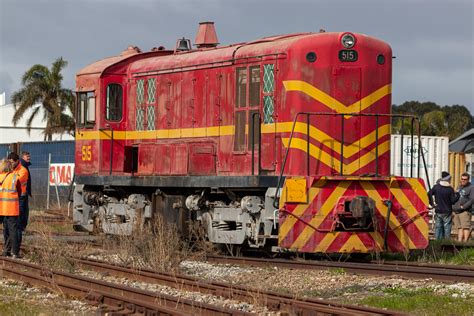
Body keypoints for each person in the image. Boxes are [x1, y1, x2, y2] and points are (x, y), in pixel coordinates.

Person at [7, 152, 29, 251]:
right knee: (9, 225)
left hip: (20, 199)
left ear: (17, 161)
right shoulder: (10, 170)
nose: (11, 164)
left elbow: (15, 182)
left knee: (18, 224)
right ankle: (9, 247)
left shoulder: (23, 170)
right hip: (10, 199)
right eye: (9, 162)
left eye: (12, 162)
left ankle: (16, 248)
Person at [428, 171, 459, 240]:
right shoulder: (450, 189)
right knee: (447, 228)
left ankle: (437, 242)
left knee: (438, 227)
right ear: (448, 179)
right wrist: (457, 194)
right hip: (447, 211)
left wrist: (432, 204)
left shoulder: (436, 187)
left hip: (438, 210)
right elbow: (453, 201)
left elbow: (429, 194)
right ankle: (446, 243)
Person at [0, 159, 22, 258]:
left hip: (2, 208)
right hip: (12, 208)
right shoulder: (14, 177)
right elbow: (19, 192)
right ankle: (15, 252)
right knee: (13, 230)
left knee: (6, 230)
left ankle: (6, 251)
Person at [453, 172, 473, 242]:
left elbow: (472, 200)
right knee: (459, 228)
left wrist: (463, 207)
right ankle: (459, 242)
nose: (463, 180)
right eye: (462, 179)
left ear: (468, 180)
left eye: (465, 179)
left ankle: (465, 244)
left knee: (465, 227)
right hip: (456, 211)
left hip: (465, 211)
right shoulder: (459, 186)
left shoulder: (471, 187)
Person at [18, 151, 32, 242]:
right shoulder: (22, 168)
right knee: (22, 211)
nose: (29, 158)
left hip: (23, 193)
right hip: (22, 194)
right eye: (27, 156)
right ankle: (21, 228)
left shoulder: (24, 166)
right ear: (22, 157)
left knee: (24, 211)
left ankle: (22, 228)